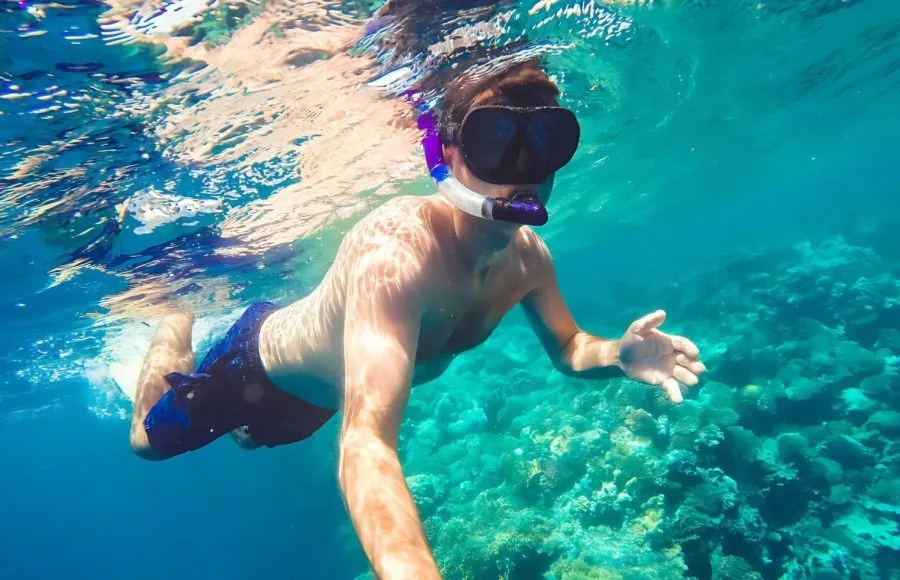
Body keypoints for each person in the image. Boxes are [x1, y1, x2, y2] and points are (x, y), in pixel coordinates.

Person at [127, 58, 707, 579]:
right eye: (495, 140)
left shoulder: (529, 260)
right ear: (448, 156)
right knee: (145, 444)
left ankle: (240, 411)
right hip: (255, 365)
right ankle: (176, 314)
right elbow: (368, 442)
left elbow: (568, 346)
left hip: (320, 397)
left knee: (251, 440)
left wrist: (616, 354)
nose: (521, 173)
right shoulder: (395, 253)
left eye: (547, 143)